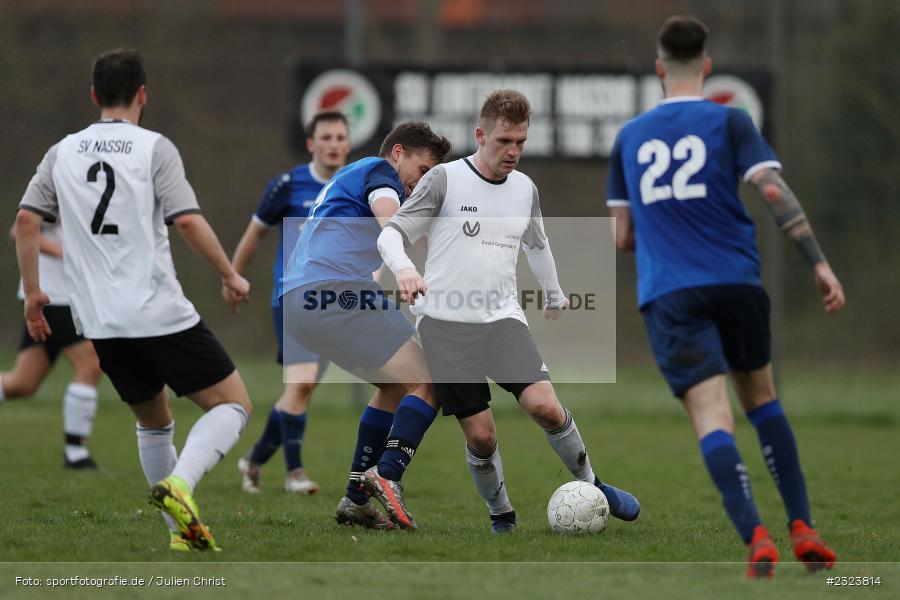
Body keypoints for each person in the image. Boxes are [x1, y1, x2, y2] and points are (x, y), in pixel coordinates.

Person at [606, 16, 843, 578]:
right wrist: (820, 263)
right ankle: (803, 527)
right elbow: (770, 189)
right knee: (762, 401)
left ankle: (757, 537)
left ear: (660, 68)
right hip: (737, 281)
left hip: (672, 292)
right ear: (706, 67)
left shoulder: (629, 137)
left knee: (714, 417)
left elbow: (623, 238)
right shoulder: (732, 121)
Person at [15, 48, 253, 552]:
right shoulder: (154, 148)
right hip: (156, 308)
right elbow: (186, 220)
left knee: (154, 420)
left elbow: (26, 222)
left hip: (98, 319)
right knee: (233, 402)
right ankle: (181, 484)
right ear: (143, 94)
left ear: (95, 96)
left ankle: (181, 536)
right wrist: (230, 274)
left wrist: (35, 294)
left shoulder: (62, 151)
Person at [376, 89, 640, 534]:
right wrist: (403, 270)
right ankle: (501, 513)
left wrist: (553, 293)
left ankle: (594, 484)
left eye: (520, 141)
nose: (513, 151)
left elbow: (537, 244)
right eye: (503, 141)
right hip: (445, 325)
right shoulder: (444, 179)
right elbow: (391, 235)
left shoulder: (524, 189)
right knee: (482, 437)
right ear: (481, 135)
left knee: (546, 407)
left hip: (502, 321)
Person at [280, 121, 451, 530]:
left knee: (394, 387)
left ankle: (356, 501)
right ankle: (387, 474)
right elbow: (390, 223)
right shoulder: (380, 173)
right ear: (398, 153)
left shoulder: (353, 174)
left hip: (298, 303)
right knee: (429, 382)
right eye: (423, 170)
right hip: (336, 291)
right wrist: (406, 266)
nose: (422, 182)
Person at [228, 111, 351, 496]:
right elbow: (255, 233)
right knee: (300, 384)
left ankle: (254, 460)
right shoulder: (288, 185)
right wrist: (233, 276)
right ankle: (295, 473)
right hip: (293, 297)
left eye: (339, 137)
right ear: (312, 144)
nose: (333, 144)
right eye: (326, 137)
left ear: (348, 144)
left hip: (336, 304)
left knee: (301, 390)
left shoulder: (357, 185)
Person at [2, 222, 103, 469]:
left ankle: (75, 452)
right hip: (54, 297)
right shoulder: (59, 184)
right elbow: (20, 230)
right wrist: (63, 253)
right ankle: (76, 453)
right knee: (91, 364)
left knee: (22, 384)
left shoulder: (97, 186)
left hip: (68, 296)